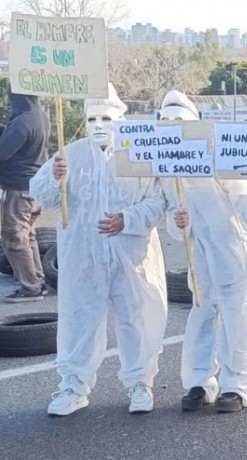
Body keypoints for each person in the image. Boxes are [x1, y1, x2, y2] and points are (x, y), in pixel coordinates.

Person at [30, 83, 168, 416]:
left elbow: (159, 200)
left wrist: (128, 218)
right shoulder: (71, 154)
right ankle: (73, 387)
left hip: (131, 255)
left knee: (136, 319)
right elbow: (42, 195)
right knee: (79, 319)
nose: (98, 125)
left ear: (120, 117)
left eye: (105, 117)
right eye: (91, 118)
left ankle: (140, 383)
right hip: (83, 255)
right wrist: (54, 178)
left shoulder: (139, 152)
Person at [157, 90, 247, 413]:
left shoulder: (214, 156)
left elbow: (243, 192)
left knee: (239, 319)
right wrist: (179, 223)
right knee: (201, 317)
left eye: (180, 121)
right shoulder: (166, 169)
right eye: (166, 121)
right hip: (201, 256)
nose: (173, 127)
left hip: (233, 249)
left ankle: (237, 386)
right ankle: (199, 382)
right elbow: (174, 225)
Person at [0, 92, 49, 302]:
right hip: (35, 186)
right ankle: (37, 280)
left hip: (20, 188)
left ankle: (30, 288)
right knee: (28, 236)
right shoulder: (40, 115)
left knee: (14, 238)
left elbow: (3, 152)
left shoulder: (22, 121)